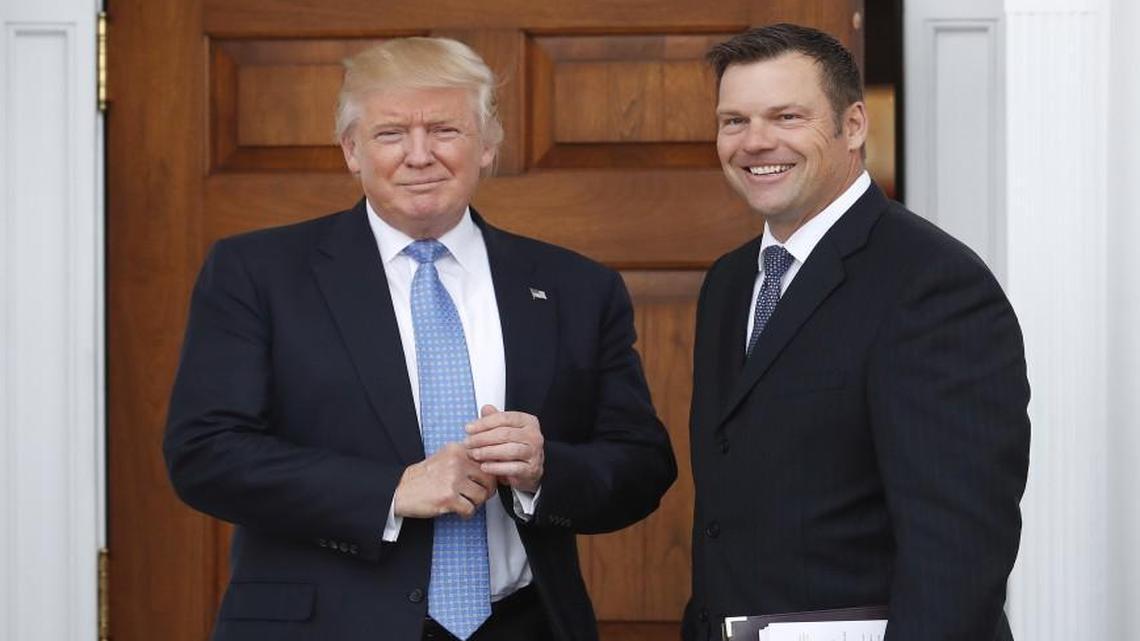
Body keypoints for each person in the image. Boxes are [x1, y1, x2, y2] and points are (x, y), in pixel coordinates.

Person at [164, 37, 675, 641]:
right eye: (389, 134)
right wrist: (391, 490)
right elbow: (205, 453)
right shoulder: (258, 273)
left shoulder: (577, 287)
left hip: (524, 625)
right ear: (352, 150)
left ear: (487, 145)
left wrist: (544, 469)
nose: (419, 154)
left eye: (444, 130)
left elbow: (641, 464)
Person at [684, 23, 1030, 641]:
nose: (755, 142)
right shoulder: (730, 283)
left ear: (854, 126)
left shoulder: (932, 284)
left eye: (786, 116)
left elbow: (958, 552)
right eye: (733, 121)